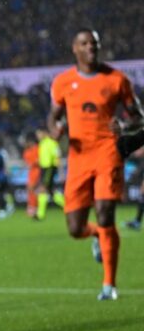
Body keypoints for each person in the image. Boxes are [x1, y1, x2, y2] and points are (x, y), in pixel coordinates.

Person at [47, 28, 144, 300]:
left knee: (105, 213)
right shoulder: (63, 82)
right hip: (78, 157)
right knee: (75, 228)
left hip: (107, 152)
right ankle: (97, 236)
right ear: (75, 49)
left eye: (94, 43)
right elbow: (53, 116)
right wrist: (55, 129)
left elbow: (139, 117)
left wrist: (124, 125)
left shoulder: (117, 79)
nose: (91, 47)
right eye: (85, 43)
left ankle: (109, 285)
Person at [35, 127, 64, 220]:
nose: (38, 136)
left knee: (43, 189)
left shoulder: (52, 143)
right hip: (44, 168)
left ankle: (40, 214)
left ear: (44, 133)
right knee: (49, 191)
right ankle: (67, 206)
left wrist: (60, 171)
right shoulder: (42, 143)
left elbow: (57, 157)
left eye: (39, 134)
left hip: (49, 168)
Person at [0, 138, 16, 218]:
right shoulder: (0, 152)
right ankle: (10, 206)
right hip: (1, 176)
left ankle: (3, 209)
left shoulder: (1, 153)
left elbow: (4, 164)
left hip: (1, 176)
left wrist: (7, 172)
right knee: (5, 192)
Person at [21, 133, 41, 218]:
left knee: (32, 189)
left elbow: (40, 160)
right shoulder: (26, 151)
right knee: (30, 190)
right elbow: (26, 163)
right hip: (31, 172)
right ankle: (32, 207)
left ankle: (34, 208)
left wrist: (33, 163)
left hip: (37, 171)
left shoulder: (38, 148)